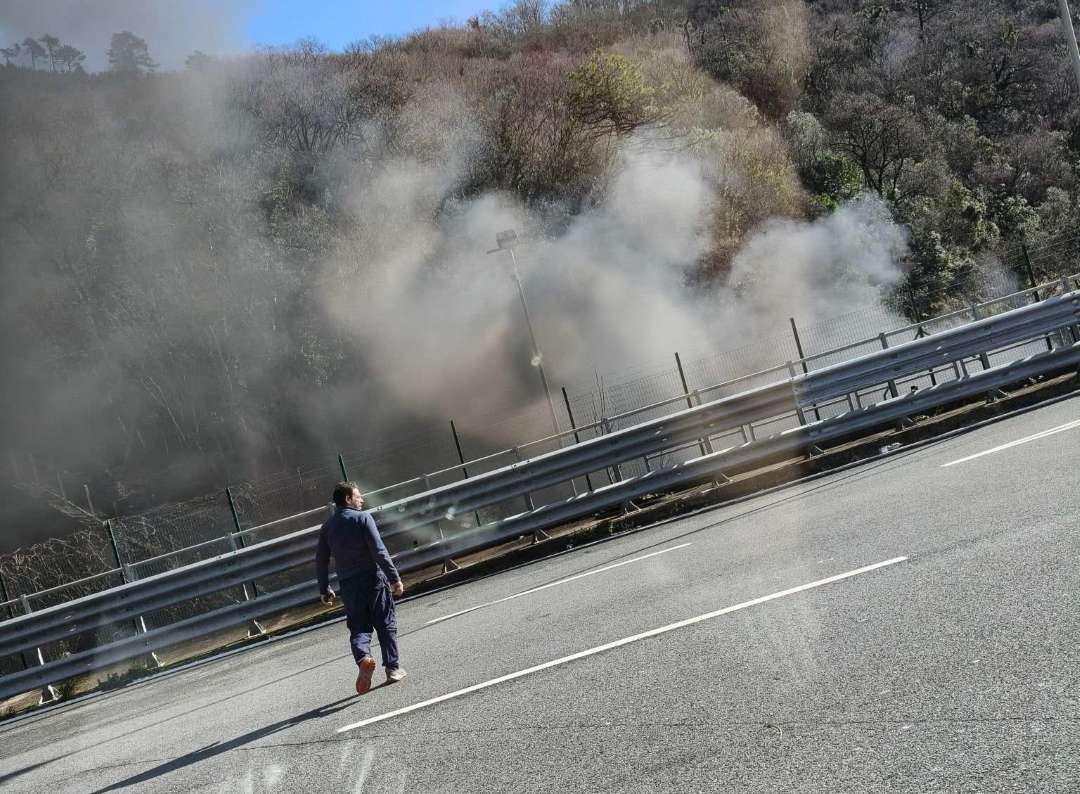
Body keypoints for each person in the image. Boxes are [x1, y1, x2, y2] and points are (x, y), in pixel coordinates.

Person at [316, 481, 406, 694]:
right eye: (358, 496)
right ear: (348, 499)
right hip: (373, 580)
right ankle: (392, 669)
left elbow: (321, 560)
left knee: (359, 628)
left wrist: (324, 588)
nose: (362, 499)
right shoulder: (363, 518)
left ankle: (363, 657)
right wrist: (394, 578)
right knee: (385, 624)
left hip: (349, 585)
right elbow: (379, 552)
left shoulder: (327, 527)